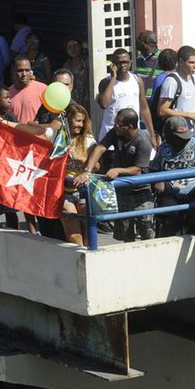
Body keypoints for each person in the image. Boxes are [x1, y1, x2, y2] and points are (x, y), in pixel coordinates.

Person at [75, 108, 155, 242]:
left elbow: (139, 169)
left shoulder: (143, 141)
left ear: (130, 126)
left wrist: (118, 170)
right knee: (125, 232)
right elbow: (100, 148)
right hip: (122, 190)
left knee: (147, 231)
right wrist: (88, 171)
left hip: (141, 192)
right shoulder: (116, 132)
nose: (115, 126)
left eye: (118, 124)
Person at [150, 116, 195, 237]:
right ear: (169, 135)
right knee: (168, 219)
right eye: (178, 137)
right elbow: (154, 167)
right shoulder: (164, 147)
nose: (183, 140)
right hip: (169, 192)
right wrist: (158, 180)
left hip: (193, 192)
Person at [97, 48, 156, 144]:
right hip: (110, 137)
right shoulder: (106, 82)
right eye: (119, 63)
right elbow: (104, 104)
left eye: (126, 63)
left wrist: (152, 135)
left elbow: (144, 109)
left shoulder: (137, 80)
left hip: (132, 136)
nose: (123, 66)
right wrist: (113, 78)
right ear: (113, 64)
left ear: (130, 63)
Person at [61, 103, 97, 246]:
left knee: (89, 237)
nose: (81, 125)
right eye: (77, 120)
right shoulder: (58, 138)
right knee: (75, 238)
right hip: (64, 192)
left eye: (83, 121)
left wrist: (79, 157)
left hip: (83, 191)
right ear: (68, 119)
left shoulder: (88, 140)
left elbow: (98, 166)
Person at [157, 45, 195, 133]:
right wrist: (189, 115)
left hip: (190, 132)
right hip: (176, 133)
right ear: (181, 61)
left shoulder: (191, 79)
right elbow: (162, 111)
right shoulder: (172, 81)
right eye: (191, 62)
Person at [6, 57, 48, 125]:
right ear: (13, 72)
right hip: (14, 134)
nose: (24, 74)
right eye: (20, 71)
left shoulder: (43, 89)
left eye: (27, 70)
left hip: (35, 134)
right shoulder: (7, 93)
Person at [63, 37, 90, 110]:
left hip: (87, 97)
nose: (73, 49)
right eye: (70, 47)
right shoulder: (67, 64)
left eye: (75, 46)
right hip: (73, 99)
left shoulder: (87, 61)